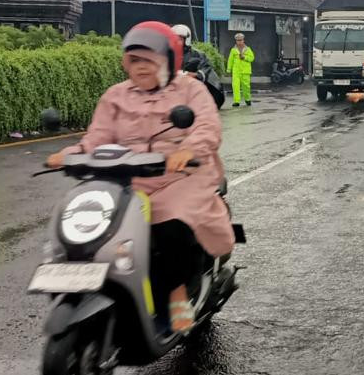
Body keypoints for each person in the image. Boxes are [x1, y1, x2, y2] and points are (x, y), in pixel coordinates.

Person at [45, 22, 233, 334]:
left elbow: (207, 127)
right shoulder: (115, 95)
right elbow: (97, 137)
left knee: (172, 219)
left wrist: (188, 149)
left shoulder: (190, 89)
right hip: (128, 178)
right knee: (88, 220)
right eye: (134, 61)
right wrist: (73, 153)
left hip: (181, 175)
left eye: (149, 60)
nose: (141, 67)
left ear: (169, 60)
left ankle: (177, 293)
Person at [175, 23, 225, 109]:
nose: (176, 41)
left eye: (179, 39)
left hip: (191, 93)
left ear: (186, 39)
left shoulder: (196, 54)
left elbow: (206, 68)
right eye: (173, 38)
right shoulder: (166, 54)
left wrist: (192, 74)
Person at [228, 32, 254, 107]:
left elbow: (252, 58)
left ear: (243, 40)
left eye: (240, 40)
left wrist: (245, 58)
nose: (239, 42)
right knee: (235, 86)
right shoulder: (233, 50)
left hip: (245, 71)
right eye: (238, 40)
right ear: (236, 41)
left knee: (246, 86)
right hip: (236, 71)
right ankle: (236, 101)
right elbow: (230, 60)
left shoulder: (248, 49)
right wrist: (229, 69)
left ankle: (247, 99)